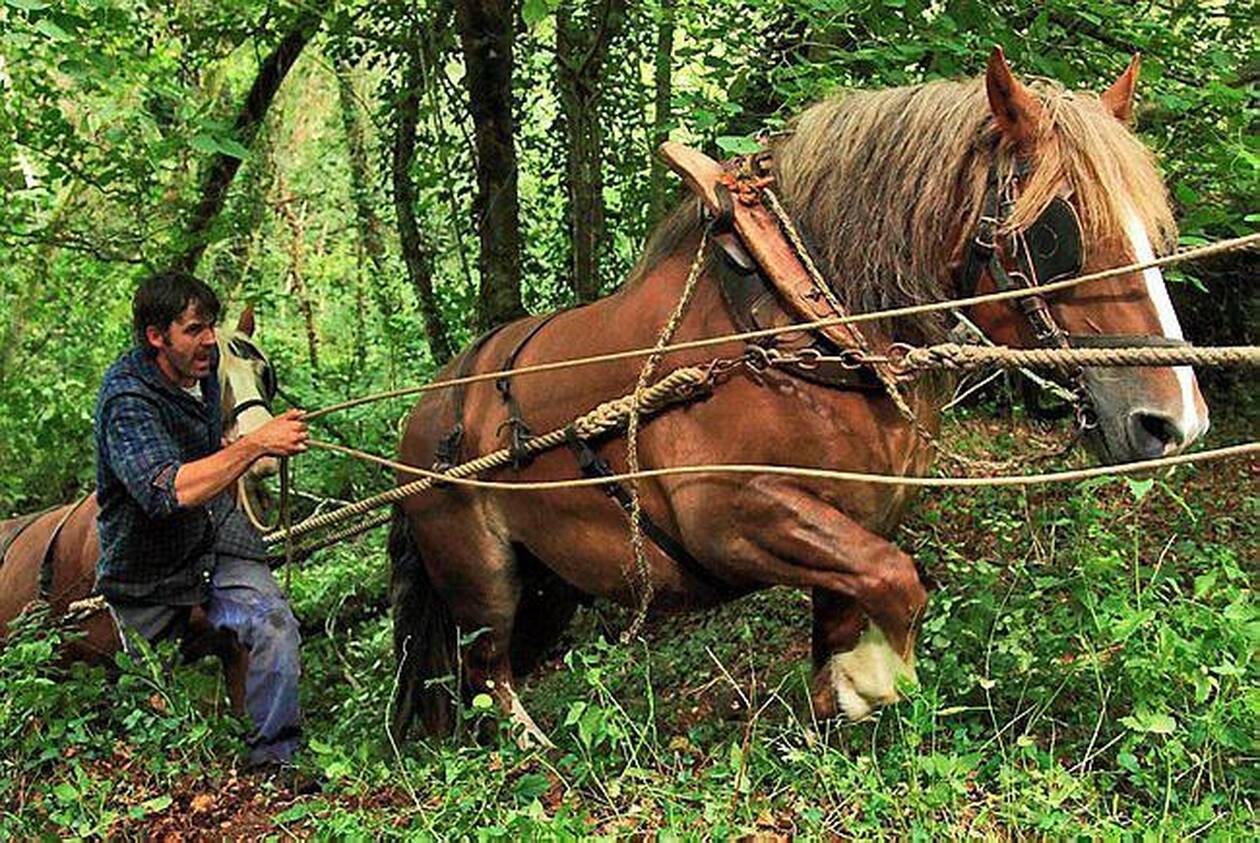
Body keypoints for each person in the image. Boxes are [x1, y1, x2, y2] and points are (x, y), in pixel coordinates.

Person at [94, 271, 310, 767]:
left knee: (275, 625)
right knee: (144, 694)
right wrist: (256, 444)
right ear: (155, 336)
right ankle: (160, 779)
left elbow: (206, 449)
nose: (209, 340)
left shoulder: (207, 373)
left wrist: (233, 445)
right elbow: (166, 491)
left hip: (216, 540)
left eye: (210, 325)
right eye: (194, 329)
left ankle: (275, 761)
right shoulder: (127, 400)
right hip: (147, 563)